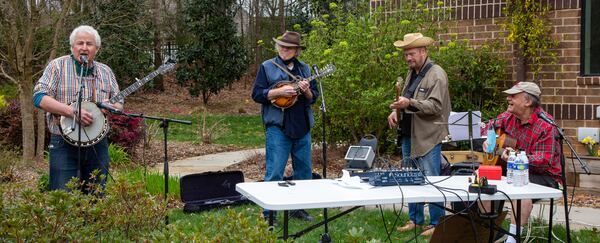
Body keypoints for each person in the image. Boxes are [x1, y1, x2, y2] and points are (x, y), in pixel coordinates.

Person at [33, 25, 122, 192]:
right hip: (63, 143)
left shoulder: (106, 72)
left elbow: (118, 103)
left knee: (96, 198)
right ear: (72, 46)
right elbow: (39, 97)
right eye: (80, 43)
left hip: (98, 145)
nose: (84, 47)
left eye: (89, 44)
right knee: (62, 198)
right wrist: (71, 111)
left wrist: (111, 107)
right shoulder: (57, 66)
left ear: (97, 48)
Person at [387, 33, 451, 236]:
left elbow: (435, 106)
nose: (408, 58)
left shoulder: (437, 74)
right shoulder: (412, 73)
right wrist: (395, 111)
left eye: (412, 53)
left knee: (432, 180)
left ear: (424, 51)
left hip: (428, 136)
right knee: (411, 178)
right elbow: (406, 97)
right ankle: (415, 220)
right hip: (409, 135)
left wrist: (410, 104)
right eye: (406, 54)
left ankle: (436, 224)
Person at [251, 31, 319, 222]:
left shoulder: (305, 69)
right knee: (274, 172)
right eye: (281, 46)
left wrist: (306, 92)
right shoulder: (267, 67)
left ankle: (298, 209)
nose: (284, 49)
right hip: (278, 127)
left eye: (288, 47)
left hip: (302, 126)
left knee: (304, 172)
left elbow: (313, 98)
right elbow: (257, 94)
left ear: (296, 51)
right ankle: (269, 215)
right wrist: (277, 92)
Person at [482, 81, 562, 243]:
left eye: (513, 96)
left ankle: (512, 239)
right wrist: (489, 139)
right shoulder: (508, 117)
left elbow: (543, 161)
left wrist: (514, 157)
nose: (508, 99)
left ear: (528, 102)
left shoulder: (546, 125)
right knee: (484, 182)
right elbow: (489, 126)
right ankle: (489, 231)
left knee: (520, 185)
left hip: (544, 176)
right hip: (513, 170)